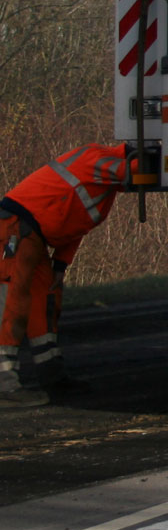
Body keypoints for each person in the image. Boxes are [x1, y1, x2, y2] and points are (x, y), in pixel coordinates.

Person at [0, 143, 130, 408]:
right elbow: (130, 170)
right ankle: (4, 386)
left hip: (33, 236)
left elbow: (76, 224)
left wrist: (60, 265)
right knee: (11, 303)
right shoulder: (96, 158)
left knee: (46, 300)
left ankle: (52, 376)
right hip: (14, 228)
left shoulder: (105, 189)